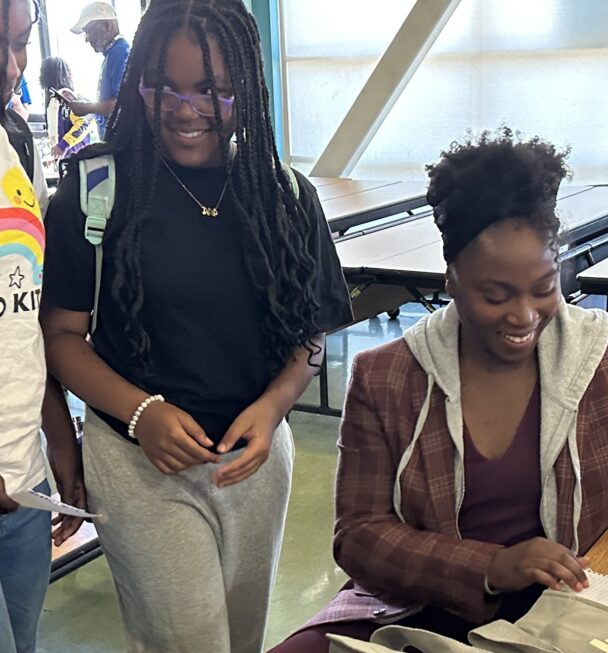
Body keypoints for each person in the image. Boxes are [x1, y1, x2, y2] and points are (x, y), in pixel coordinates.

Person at [270, 129, 608, 653]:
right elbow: (359, 535)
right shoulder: (388, 376)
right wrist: (490, 566)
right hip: (419, 602)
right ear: (452, 279)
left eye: (543, 288)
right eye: (495, 295)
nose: (524, 316)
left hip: (563, 607)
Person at [40, 0, 351, 651]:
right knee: (186, 642)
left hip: (256, 464)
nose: (187, 108)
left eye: (215, 89)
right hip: (139, 465)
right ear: (137, 81)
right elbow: (63, 337)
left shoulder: (283, 195)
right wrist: (141, 411)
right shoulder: (95, 191)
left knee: (241, 639)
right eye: (165, 86)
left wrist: (272, 408)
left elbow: (312, 334)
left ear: (248, 86)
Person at [0, 1, 85, 652]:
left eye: (20, 43)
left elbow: (22, 307)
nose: (10, 67)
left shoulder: (14, 136)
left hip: (21, 485)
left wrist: (59, 433)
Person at [65, 1, 130, 137]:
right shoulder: (111, 54)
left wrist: (87, 107)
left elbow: (122, 105)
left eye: (89, 31)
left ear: (107, 25)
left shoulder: (120, 53)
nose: (87, 39)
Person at [39, 57, 98, 159]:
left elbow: (84, 121)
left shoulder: (66, 97)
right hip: (69, 156)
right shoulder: (55, 99)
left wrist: (63, 145)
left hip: (76, 156)